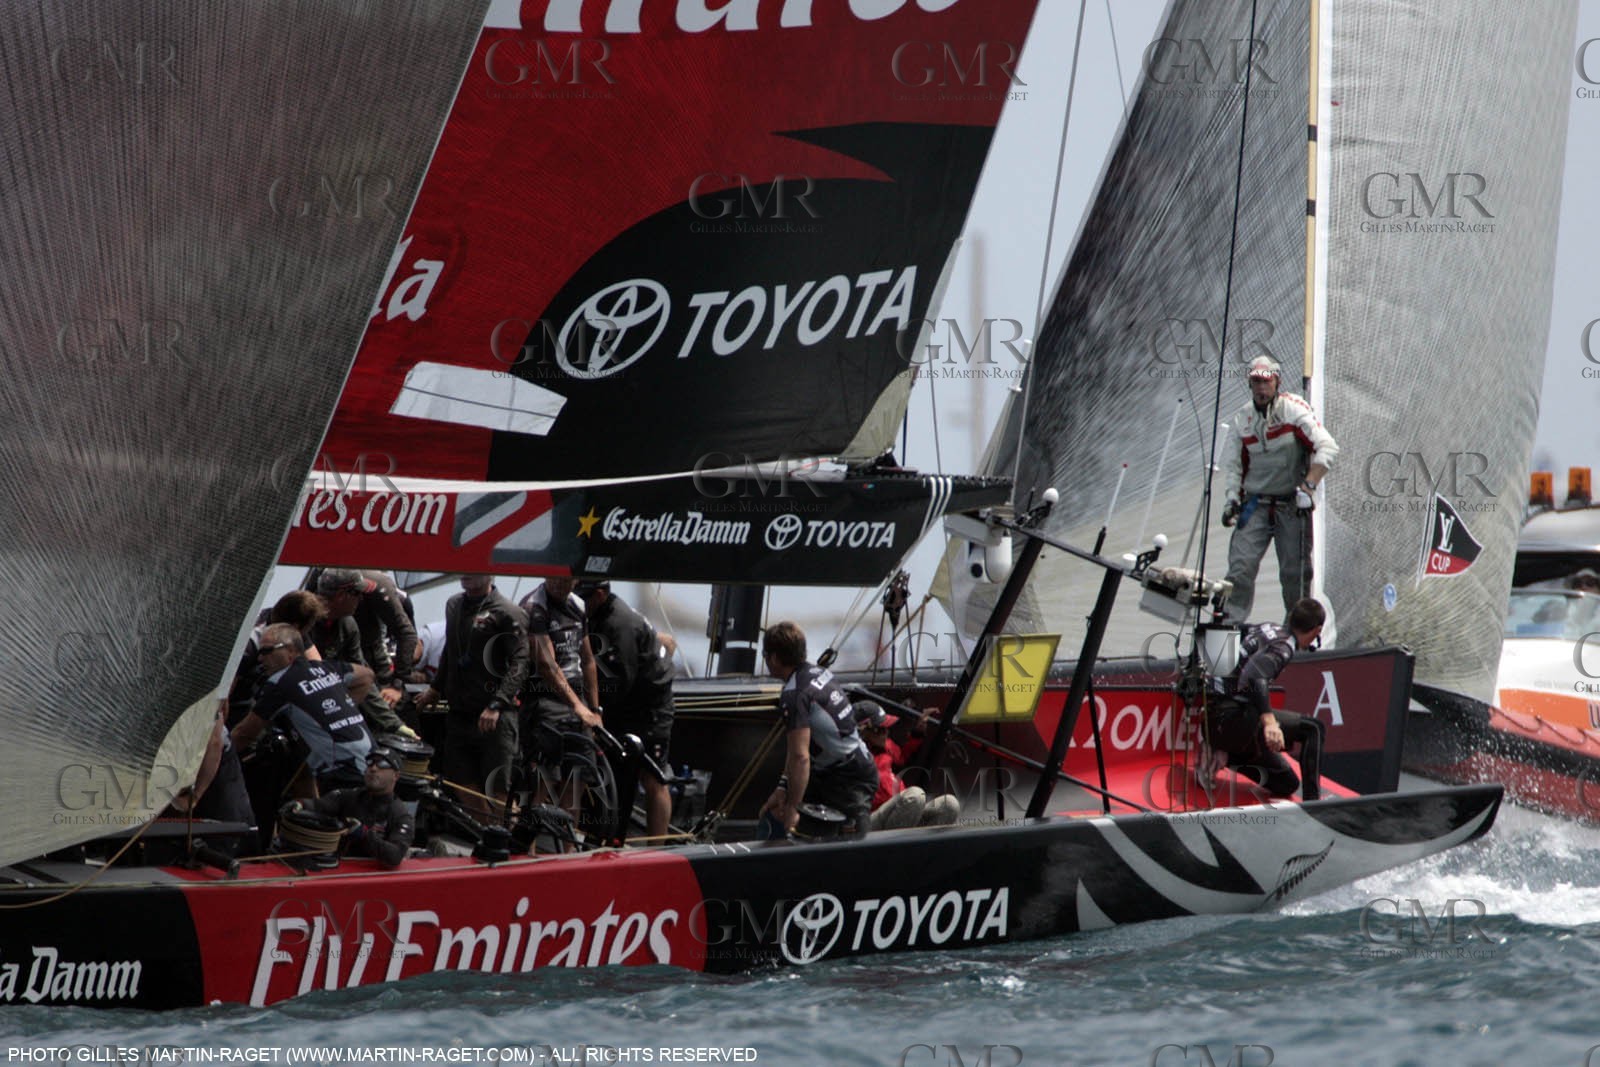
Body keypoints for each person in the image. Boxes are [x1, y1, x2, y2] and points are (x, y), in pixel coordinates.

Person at [1220, 356, 1339, 621]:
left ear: (1277, 382)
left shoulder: (1294, 409)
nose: (1261, 388)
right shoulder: (1243, 418)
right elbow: (1235, 467)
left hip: (1291, 505)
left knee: (1294, 574)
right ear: (1249, 384)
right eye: (1256, 382)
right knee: (1240, 568)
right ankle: (1229, 628)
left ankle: (1298, 633)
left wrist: (1308, 487)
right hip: (1255, 503)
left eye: (1266, 382)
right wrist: (1231, 499)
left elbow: (1328, 447)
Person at [417, 575, 529, 820]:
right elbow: (451, 650)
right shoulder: (453, 605)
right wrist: (436, 688)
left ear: (490, 574)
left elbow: (520, 663)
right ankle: (490, 834)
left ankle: (514, 843)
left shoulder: (509, 612)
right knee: (459, 780)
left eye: (474, 570)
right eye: (463, 569)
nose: (466, 574)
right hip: (459, 713)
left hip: (494, 716)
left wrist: (497, 703)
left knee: (498, 788)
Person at [758, 621, 877, 840]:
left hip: (849, 779)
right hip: (834, 770)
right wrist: (783, 788)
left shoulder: (794, 694)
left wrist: (793, 808)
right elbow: (797, 753)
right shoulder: (817, 672)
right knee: (775, 811)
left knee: (851, 845)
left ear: (774, 658)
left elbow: (801, 758)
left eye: (765, 655)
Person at [1202, 597, 1328, 801]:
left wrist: (1212, 684)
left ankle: (1226, 755)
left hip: (1215, 722)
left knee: (1287, 784)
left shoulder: (1266, 627)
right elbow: (1256, 676)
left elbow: (1222, 632)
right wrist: (1269, 722)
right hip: (1232, 721)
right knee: (1313, 729)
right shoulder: (1283, 647)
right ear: (1317, 631)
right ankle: (1314, 803)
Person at [578, 580, 675, 839]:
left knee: (653, 777)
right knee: (615, 770)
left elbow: (618, 682)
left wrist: (591, 710)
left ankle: (656, 852)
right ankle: (605, 834)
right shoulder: (597, 614)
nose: (578, 603)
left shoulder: (618, 625)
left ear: (599, 595)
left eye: (583, 598)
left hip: (650, 708)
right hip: (627, 704)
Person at [231, 623, 373, 794]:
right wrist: (342, 708)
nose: (260, 659)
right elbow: (366, 676)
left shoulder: (280, 682)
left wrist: (216, 759)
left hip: (343, 769)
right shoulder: (327, 668)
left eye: (267, 651)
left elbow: (244, 734)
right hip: (373, 760)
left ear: (290, 651)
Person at [520, 577, 603, 828]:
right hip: (545, 696)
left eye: (565, 580)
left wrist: (594, 708)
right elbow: (547, 664)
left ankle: (568, 851)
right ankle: (527, 848)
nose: (558, 584)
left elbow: (587, 660)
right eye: (553, 578)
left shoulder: (578, 604)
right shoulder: (534, 606)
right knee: (545, 778)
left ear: (575, 580)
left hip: (576, 698)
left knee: (577, 779)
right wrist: (578, 706)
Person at [317, 568, 418, 732]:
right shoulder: (306, 618)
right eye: (358, 594)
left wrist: (395, 722)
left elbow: (363, 676)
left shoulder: (349, 625)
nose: (360, 599)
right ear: (342, 595)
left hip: (368, 672)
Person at [288, 746, 415, 868]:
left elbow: (395, 856)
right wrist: (301, 804)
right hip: (332, 866)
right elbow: (320, 805)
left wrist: (364, 834)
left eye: (382, 765)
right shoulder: (349, 796)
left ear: (396, 776)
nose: (373, 768)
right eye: (370, 763)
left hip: (367, 877)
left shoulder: (401, 815)